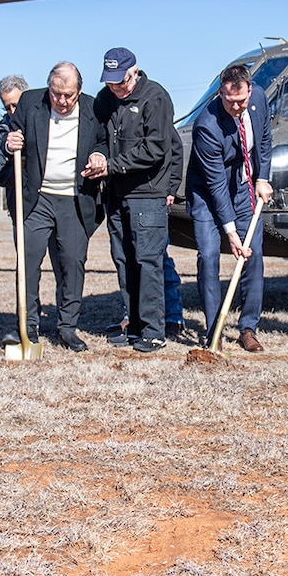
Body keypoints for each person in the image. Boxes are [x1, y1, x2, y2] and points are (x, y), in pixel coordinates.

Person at [2, 61, 107, 352]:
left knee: (73, 263)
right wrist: (9, 142)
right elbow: (10, 133)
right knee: (28, 263)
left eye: (68, 95)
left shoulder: (93, 108)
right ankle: (28, 326)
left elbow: (103, 142)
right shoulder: (29, 102)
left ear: (79, 91)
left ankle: (67, 328)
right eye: (56, 93)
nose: (61, 100)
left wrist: (99, 155)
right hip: (37, 197)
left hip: (74, 198)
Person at [90, 47, 175, 353]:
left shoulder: (156, 98)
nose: (117, 88)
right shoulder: (104, 99)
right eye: (111, 82)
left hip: (147, 193)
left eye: (121, 81)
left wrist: (110, 166)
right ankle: (133, 324)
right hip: (115, 194)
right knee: (123, 259)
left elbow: (156, 149)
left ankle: (153, 330)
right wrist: (98, 153)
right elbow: (97, 135)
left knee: (148, 261)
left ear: (134, 72)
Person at [186, 62, 273, 352]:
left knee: (254, 255)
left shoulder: (259, 97)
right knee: (209, 256)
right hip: (208, 195)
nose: (236, 107)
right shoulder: (206, 126)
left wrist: (262, 177)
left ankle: (248, 328)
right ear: (219, 94)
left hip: (244, 186)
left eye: (241, 101)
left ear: (250, 90)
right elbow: (215, 185)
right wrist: (231, 231)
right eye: (229, 101)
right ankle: (214, 330)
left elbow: (264, 138)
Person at [0, 74, 28, 214]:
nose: (12, 112)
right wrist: (16, 169)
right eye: (7, 107)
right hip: (20, 207)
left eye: (16, 105)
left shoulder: (45, 123)